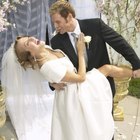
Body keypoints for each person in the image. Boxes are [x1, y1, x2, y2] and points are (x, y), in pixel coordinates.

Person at [1, 34, 135, 140]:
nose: (31, 38)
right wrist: (80, 51)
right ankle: (136, 73)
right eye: (27, 43)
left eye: (28, 36)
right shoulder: (47, 66)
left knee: (108, 69)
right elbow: (81, 78)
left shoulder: (45, 49)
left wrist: (52, 81)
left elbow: (41, 71)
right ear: (30, 54)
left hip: (75, 85)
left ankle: (136, 73)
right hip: (75, 93)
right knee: (107, 69)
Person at [49, 0, 140, 95]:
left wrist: (137, 65)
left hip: (102, 87)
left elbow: (120, 44)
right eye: (54, 23)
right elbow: (54, 66)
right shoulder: (56, 41)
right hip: (79, 93)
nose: (56, 26)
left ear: (69, 17)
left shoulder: (95, 25)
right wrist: (52, 84)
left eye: (58, 22)